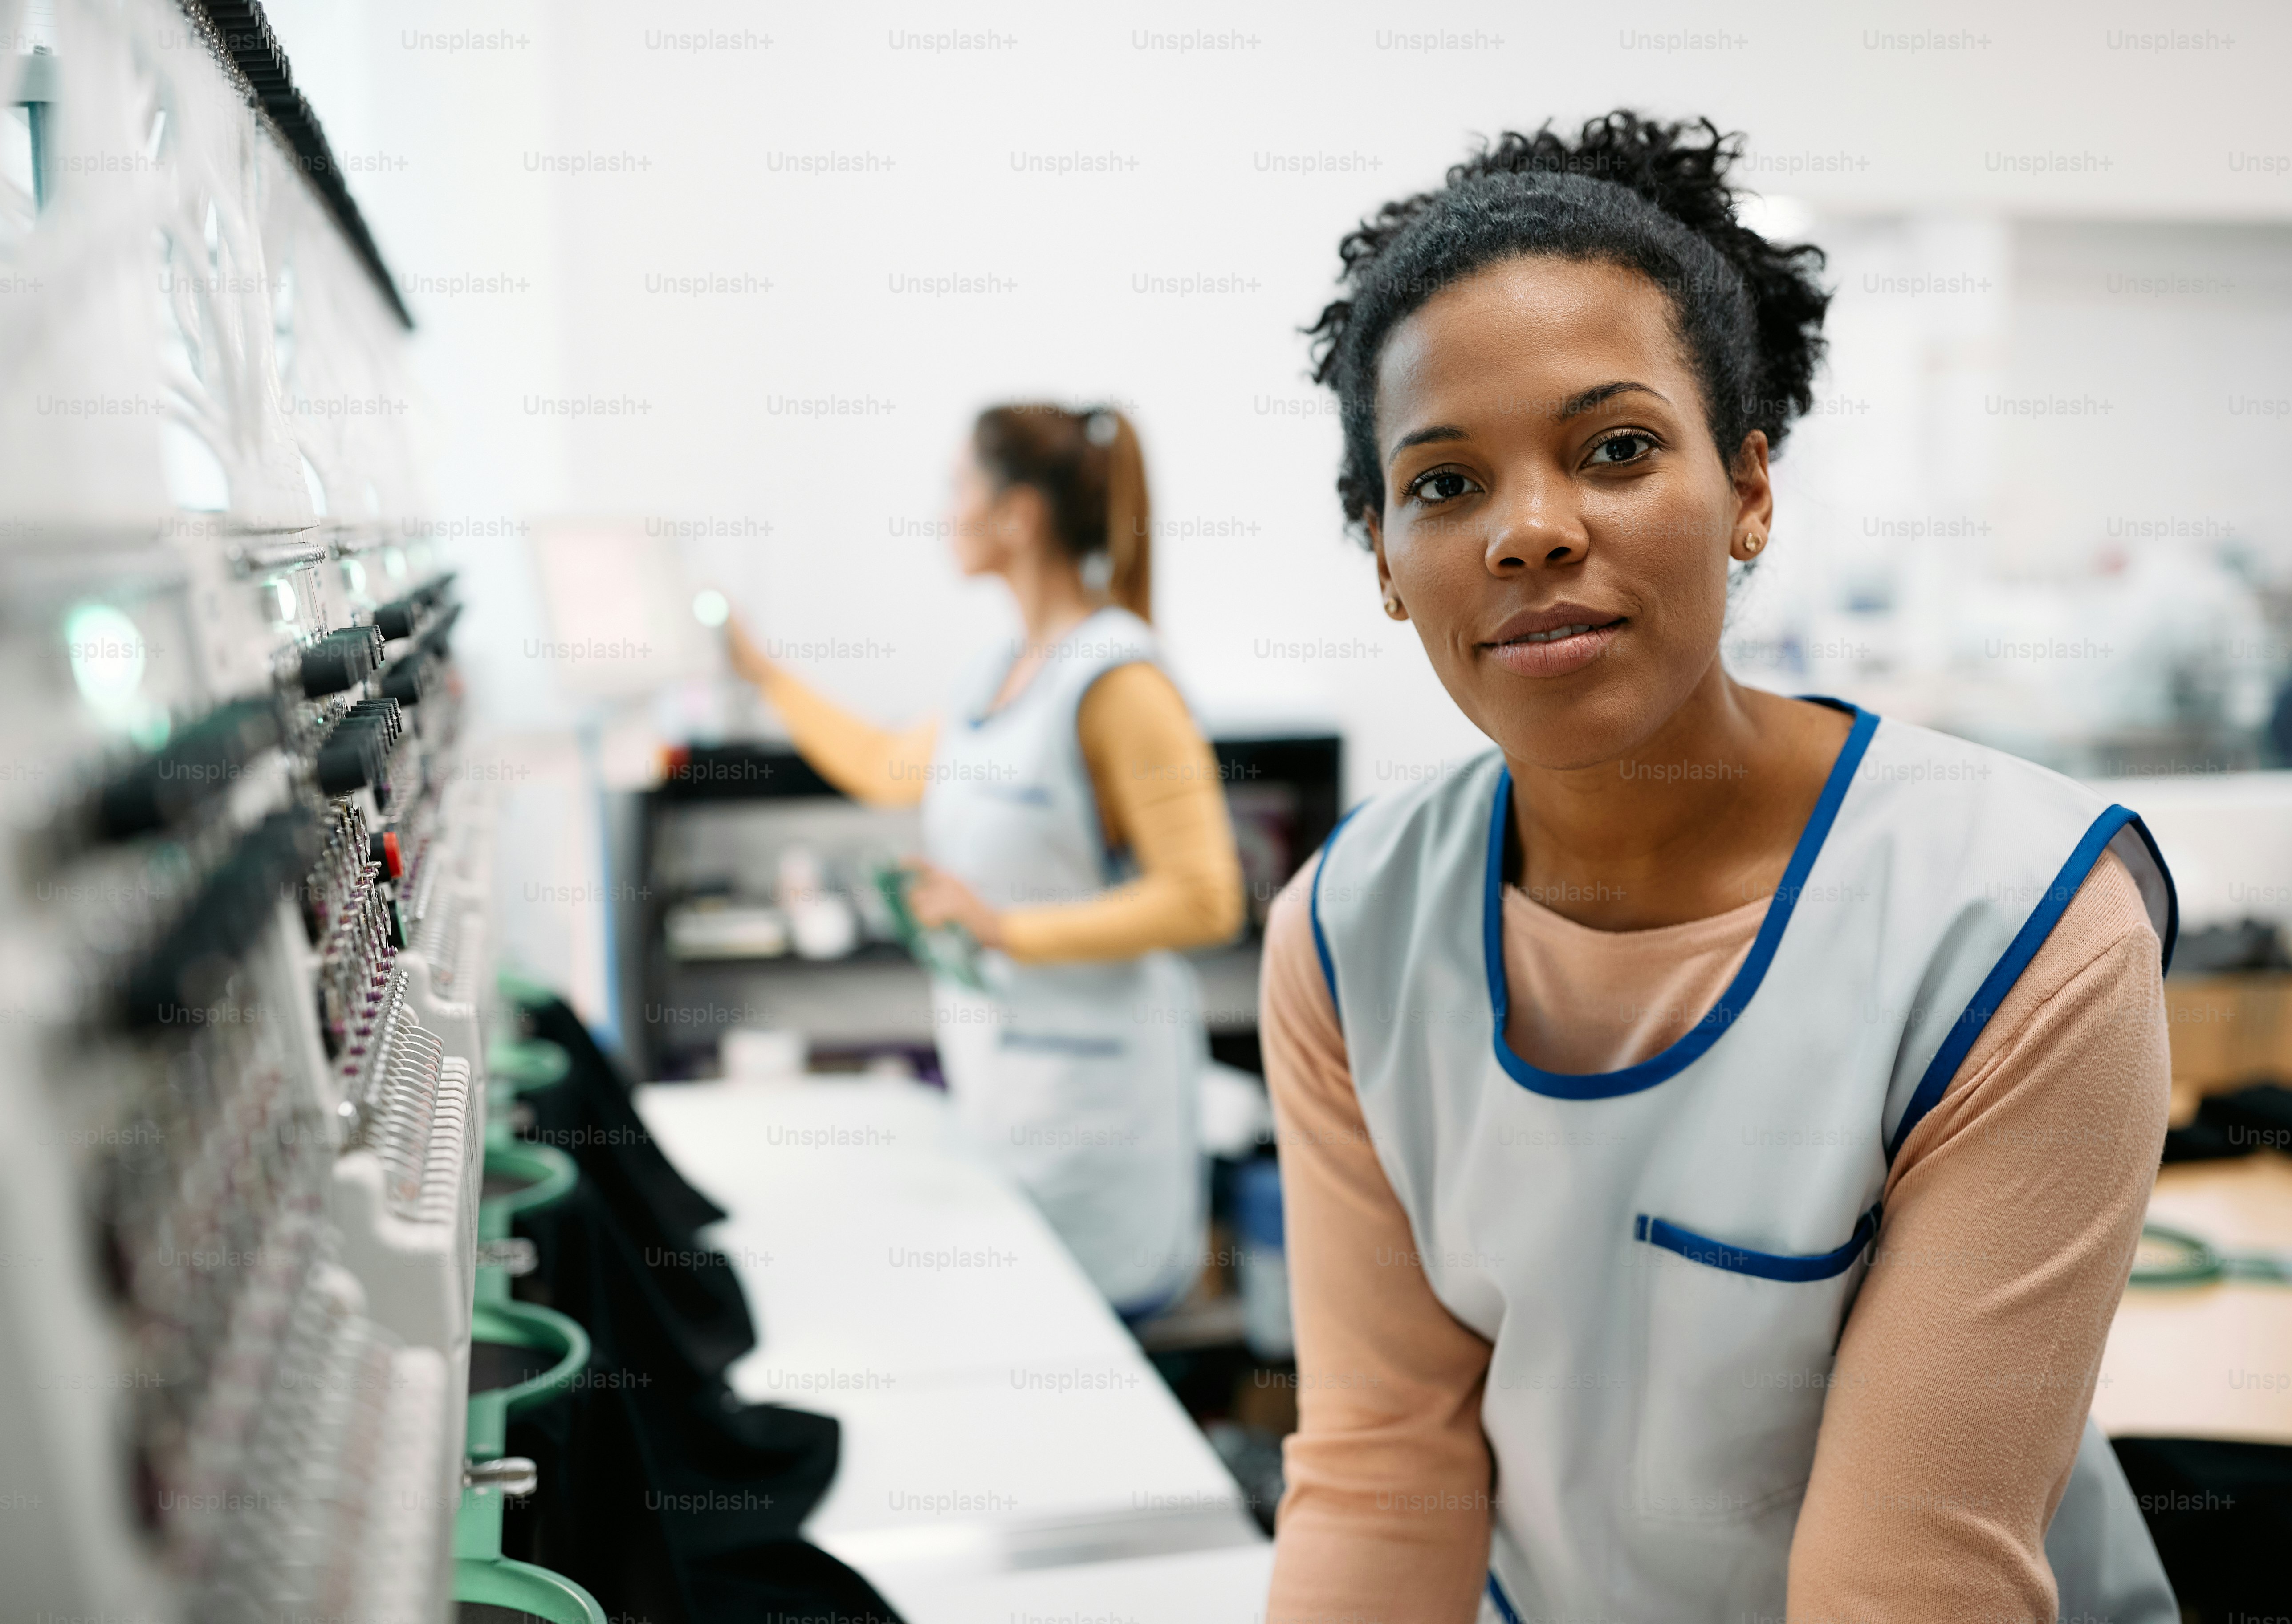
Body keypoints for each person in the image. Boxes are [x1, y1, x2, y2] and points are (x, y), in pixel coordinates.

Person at [1263, 115, 2179, 1624]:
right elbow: (1379, 1479)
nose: (1531, 531)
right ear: (1381, 554)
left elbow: (1910, 1579)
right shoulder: (1349, 930)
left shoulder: (2013, 918)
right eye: (1442, 484)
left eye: (1614, 449)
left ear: (1749, 485)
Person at [723, 404, 1244, 1319]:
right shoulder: (995, 671)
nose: (943, 511)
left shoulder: (1120, 680)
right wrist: (764, 676)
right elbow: (888, 766)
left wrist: (1002, 926)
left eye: (958, 486)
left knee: (1086, 1368)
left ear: (1019, 515)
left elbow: (1206, 900)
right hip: (1007, 1093)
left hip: (1099, 1114)